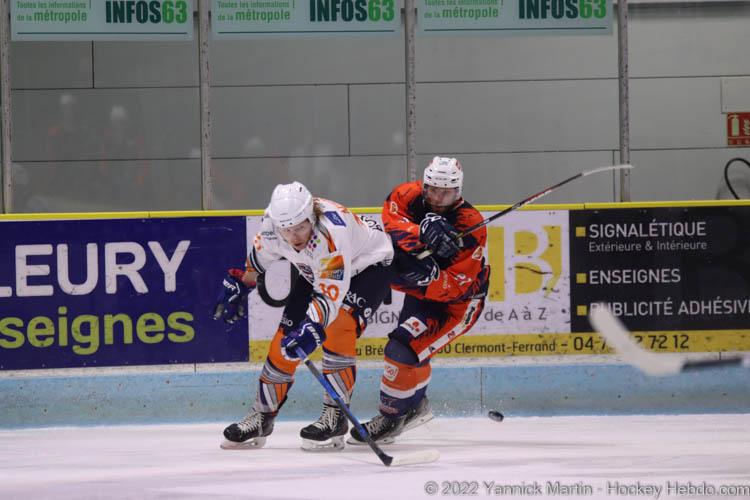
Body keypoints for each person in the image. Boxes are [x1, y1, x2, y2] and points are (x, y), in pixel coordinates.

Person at [213, 181, 394, 451]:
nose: (294, 236)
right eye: (287, 230)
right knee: (283, 341)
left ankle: (335, 416)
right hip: (316, 270)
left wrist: (312, 328)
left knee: (338, 326)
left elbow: (329, 297)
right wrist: (241, 284)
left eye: (300, 227)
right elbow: (259, 261)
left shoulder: (331, 234)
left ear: (312, 217)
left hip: (369, 267)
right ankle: (262, 416)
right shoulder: (272, 227)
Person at [349, 156, 490, 444]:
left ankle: (391, 419)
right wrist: (421, 231)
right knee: (414, 351)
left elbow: (458, 285)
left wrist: (430, 276)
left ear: (458, 191)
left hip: (458, 305)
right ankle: (415, 407)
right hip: (419, 293)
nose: (437, 198)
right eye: (432, 190)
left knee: (401, 348)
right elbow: (390, 225)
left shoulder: (471, 224)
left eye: (445, 193)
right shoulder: (407, 195)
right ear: (424, 185)